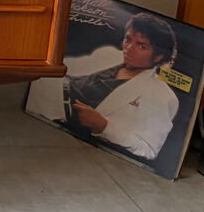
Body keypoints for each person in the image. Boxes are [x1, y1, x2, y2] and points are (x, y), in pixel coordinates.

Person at [64, 13, 180, 162]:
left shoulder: (163, 96)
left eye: (141, 46)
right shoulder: (109, 54)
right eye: (128, 39)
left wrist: (104, 126)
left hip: (76, 138)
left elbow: (148, 149)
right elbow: (68, 67)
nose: (129, 49)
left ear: (158, 57)